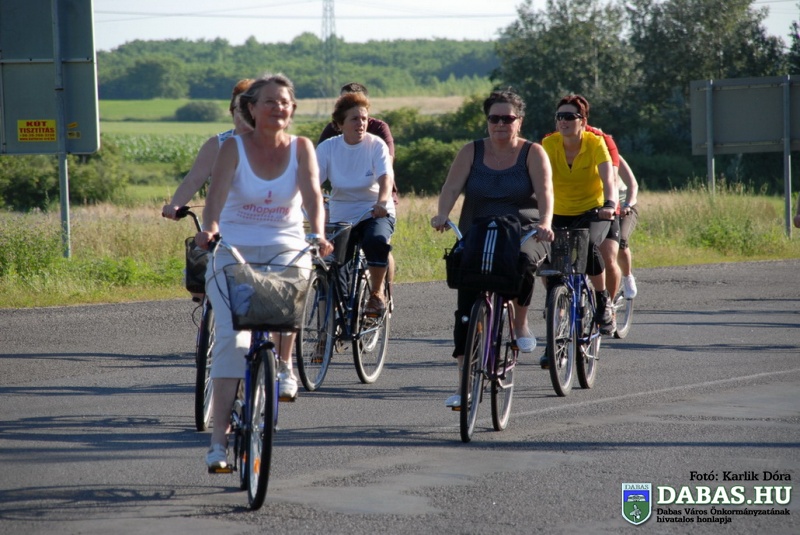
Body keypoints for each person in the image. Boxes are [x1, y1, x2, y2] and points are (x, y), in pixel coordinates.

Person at [194, 74, 333, 469]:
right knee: (232, 341)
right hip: (234, 251)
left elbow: (312, 196)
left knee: (288, 300)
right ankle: (219, 442)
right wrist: (210, 228)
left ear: (293, 109)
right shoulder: (233, 147)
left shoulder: (302, 148)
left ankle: (284, 366)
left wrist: (318, 233)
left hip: (285, 247)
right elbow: (215, 198)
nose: (278, 107)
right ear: (251, 109)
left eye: (284, 102)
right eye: (269, 101)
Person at [431, 88, 554, 409]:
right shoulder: (470, 151)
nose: (500, 124)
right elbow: (451, 187)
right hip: (479, 233)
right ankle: (464, 386)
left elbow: (545, 191)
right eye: (494, 118)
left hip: (524, 231)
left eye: (507, 119)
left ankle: (519, 322)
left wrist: (546, 221)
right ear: (487, 121)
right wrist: (442, 214)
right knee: (465, 311)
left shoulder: (533, 152)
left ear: (519, 121)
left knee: (524, 262)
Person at [541, 94, 617, 348]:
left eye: (569, 117)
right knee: (548, 259)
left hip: (592, 211)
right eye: (559, 116)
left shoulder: (595, 143)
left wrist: (609, 205)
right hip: (558, 211)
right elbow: (539, 179)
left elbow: (609, 180)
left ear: (583, 121)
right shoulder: (549, 144)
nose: (563, 121)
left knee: (590, 247)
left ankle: (602, 299)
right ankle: (555, 309)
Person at [316, 91, 395, 316]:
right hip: (342, 214)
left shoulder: (376, 145)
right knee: (333, 261)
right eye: (354, 119)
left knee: (376, 240)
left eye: (364, 118)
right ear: (340, 124)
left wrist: (382, 202)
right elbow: (312, 181)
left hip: (374, 211)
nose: (361, 123)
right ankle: (339, 311)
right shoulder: (328, 148)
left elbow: (385, 177)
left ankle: (376, 294)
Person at [161, 78, 254, 220]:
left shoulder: (278, 145)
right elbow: (194, 179)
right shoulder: (217, 144)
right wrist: (175, 205)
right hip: (222, 224)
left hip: (266, 224)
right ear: (232, 112)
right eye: (238, 109)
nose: (243, 115)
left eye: (248, 109)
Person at [617, 155, 640, 298]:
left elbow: (633, 184)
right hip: (599, 209)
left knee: (621, 239)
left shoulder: (613, 156)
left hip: (624, 207)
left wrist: (627, 204)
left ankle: (627, 276)